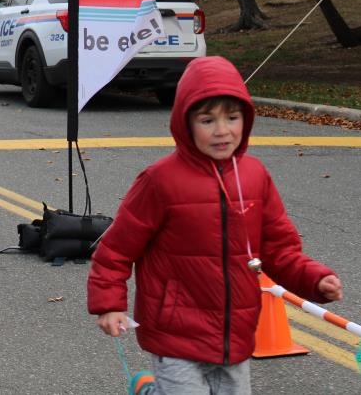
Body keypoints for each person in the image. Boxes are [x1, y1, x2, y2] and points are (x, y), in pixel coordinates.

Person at [87, 56, 342, 395]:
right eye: (208, 120)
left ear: (246, 120)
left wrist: (314, 279)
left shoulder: (255, 177)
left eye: (232, 118)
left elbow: (279, 249)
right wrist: (109, 304)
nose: (222, 131)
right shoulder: (160, 180)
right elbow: (117, 248)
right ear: (186, 123)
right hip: (175, 330)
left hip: (235, 331)